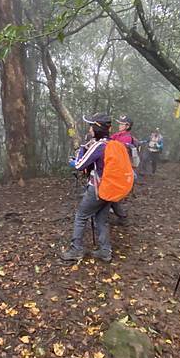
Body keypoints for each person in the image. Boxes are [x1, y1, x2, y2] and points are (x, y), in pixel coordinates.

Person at [61, 113, 114, 263]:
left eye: (91, 126)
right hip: (110, 188)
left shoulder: (98, 146)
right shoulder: (112, 143)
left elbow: (79, 165)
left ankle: (76, 250)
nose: (89, 129)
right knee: (101, 219)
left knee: (81, 216)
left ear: (97, 129)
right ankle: (105, 251)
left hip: (97, 189)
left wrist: (78, 155)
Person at [109, 115, 139, 225]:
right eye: (120, 123)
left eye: (122, 124)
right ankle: (120, 216)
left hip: (120, 170)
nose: (119, 125)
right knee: (110, 195)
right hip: (113, 169)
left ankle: (122, 216)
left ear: (127, 126)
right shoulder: (117, 135)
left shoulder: (126, 138)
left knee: (111, 195)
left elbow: (118, 154)